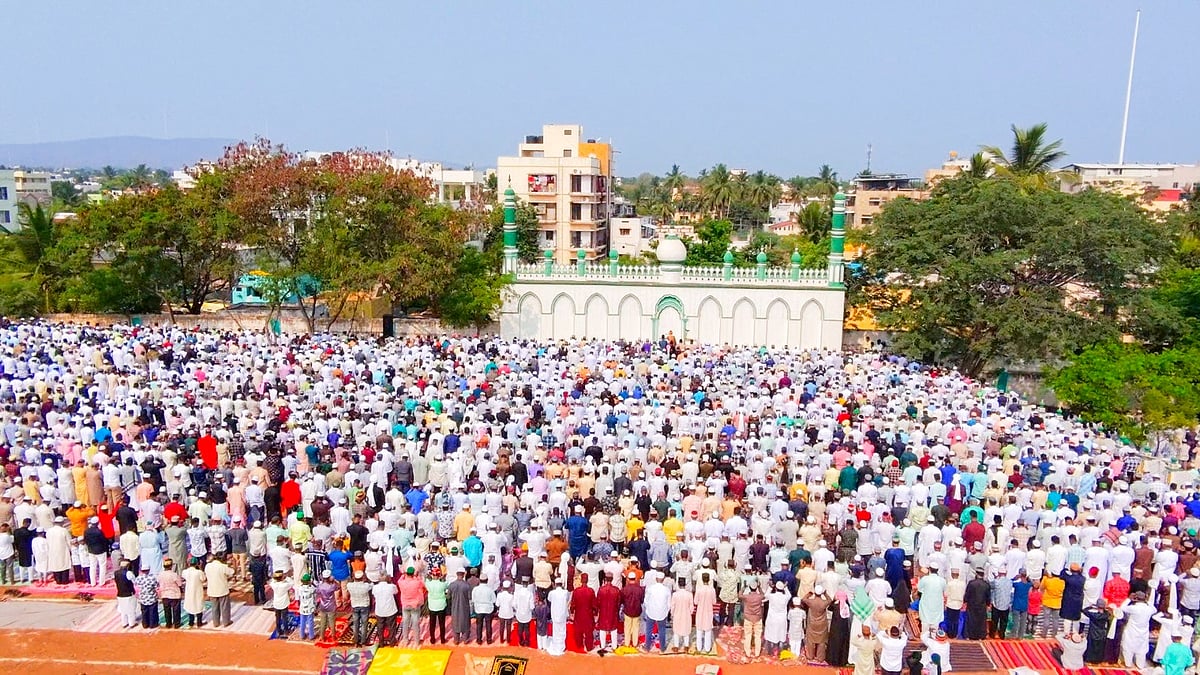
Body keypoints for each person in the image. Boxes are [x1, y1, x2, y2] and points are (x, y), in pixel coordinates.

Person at [803, 585, 833, 664]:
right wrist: (825, 594)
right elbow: (830, 600)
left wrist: (809, 594)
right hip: (822, 623)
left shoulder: (811, 602)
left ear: (815, 593)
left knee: (810, 640)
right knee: (821, 641)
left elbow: (803, 599)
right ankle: (820, 657)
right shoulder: (824, 602)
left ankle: (810, 655)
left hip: (812, 623)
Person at [397, 566, 427, 647]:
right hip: (415, 605)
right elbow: (423, 584)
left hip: (405, 604)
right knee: (415, 623)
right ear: (413, 574)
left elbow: (399, 580)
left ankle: (405, 639)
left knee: (405, 622)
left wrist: (403, 575)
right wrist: (417, 576)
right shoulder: (416, 582)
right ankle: (416, 641)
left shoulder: (401, 582)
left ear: (406, 573)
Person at [204, 554, 233, 628]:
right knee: (225, 607)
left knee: (214, 607)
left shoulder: (208, 566)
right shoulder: (223, 566)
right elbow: (232, 572)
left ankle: (216, 623)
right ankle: (226, 622)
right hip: (222, 590)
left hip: (212, 590)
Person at [346, 570, 373, 647]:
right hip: (364, 606)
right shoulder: (366, 586)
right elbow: (372, 584)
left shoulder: (350, 585)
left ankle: (356, 642)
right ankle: (363, 642)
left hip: (355, 605)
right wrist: (367, 578)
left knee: (356, 624)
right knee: (364, 624)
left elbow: (349, 582)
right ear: (362, 577)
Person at [372, 574, 399, 646]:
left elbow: (374, 594)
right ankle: (392, 642)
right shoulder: (391, 586)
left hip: (379, 610)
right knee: (392, 626)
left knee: (380, 627)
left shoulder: (375, 587)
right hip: (390, 609)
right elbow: (396, 592)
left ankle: (381, 642)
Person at [448, 568, 473, 645]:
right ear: (464, 574)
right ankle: (465, 639)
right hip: (464, 606)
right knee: (465, 622)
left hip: (455, 607)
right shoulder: (467, 585)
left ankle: (456, 640)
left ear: (457, 574)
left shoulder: (452, 585)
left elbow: (448, 596)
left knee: (455, 622)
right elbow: (470, 597)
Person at [1082, 599, 1112, 663]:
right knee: (1100, 647)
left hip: (1093, 632)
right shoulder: (1106, 615)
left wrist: (1091, 607)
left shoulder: (1094, 615)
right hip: (1102, 633)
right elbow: (1109, 612)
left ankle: (1090, 659)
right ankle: (1098, 660)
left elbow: (1084, 611)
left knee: (1091, 647)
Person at [964, 570, 991, 640]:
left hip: (971, 605)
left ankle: (969, 635)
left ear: (976, 574)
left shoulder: (971, 583)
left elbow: (967, 594)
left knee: (971, 620)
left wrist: (965, 601)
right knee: (981, 622)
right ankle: (980, 636)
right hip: (982, 606)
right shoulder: (986, 585)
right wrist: (988, 604)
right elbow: (988, 597)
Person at [425, 568, 450, 644]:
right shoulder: (442, 584)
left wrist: (429, 578)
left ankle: (432, 639)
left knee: (432, 624)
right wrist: (443, 578)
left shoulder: (429, 583)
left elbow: (426, 581)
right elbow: (447, 584)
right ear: (439, 575)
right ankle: (442, 639)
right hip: (441, 605)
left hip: (432, 606)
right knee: (442, 624)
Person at [159, 558, 184, 629]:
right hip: (174, 594)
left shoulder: (160, 574)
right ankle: (177, 624)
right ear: (170, 566)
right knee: (176, 610)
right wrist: (181, 591)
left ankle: (168, 624)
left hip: (164, 594)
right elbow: (179, 584)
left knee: (167, 611)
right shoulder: (174, 575)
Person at [269, 569, 295, 639]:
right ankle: (286, 631)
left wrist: (277, 577)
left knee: (277, 618)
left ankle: (279, 630)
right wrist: (286, 577)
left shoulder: (273, 584)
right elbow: (292, 583)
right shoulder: (284, 585)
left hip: (276, 604)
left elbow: (271, 581)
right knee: (284, 618)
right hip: (284, 604)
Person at [181, 558, 207, 628]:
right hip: (197, 591)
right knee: (199, 605)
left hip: (189, 591)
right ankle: (199, 622)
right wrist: (200, 568)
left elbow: (183, 576)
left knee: (190, 606)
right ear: (197, 564)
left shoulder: (185, 572)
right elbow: (203, 579)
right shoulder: (199, 572)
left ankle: (191, 622)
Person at [472, 573, 497, 644]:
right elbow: (494, 600)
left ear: (479, 580)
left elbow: (473, 599)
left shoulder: (475, 589)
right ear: (487, 580)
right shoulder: (490, 590)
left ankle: (479, 640)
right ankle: (489, 640)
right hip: (488, 609)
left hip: (479, 609)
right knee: (488, 625)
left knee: (479, 625)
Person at [114, 559, 139, 628]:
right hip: (129, 594)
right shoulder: (129, 573)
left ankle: (124, 623)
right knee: (131, 609)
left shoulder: (116, 573)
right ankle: (132, 623)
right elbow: (135, 581)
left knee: (123, 610)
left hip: (120, 594)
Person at [294, 574, 317, 640]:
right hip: (310, 607)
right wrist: (312, 583)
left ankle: (302, 635)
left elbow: (299, 597)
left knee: (302, 622)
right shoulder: (312, 589)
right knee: (310, 622)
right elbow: (316, 590)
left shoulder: (300, 588)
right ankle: (311, 636)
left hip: (302, 607)